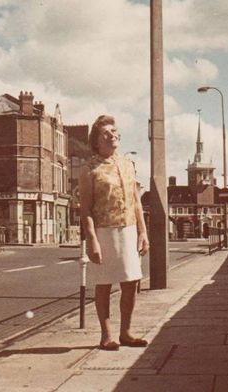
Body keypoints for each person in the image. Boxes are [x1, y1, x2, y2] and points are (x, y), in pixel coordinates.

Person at [80, 115, 149, 351]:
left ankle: (126, 333)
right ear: (96, 142)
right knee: (104, 283)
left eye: (114, 130)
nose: (112, 135)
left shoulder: (128, 165)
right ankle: (106, 335)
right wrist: (92, 241)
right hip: (104, 231)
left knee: (131, 281)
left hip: (129, 229)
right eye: (105, 133)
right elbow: (86, 208)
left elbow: (136, 202)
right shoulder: (89, 169)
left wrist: (143, 232)